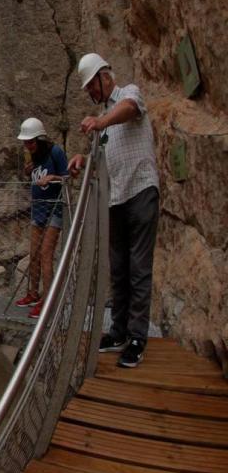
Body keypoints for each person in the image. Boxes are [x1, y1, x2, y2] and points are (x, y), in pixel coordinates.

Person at [69, 53, 159, 369]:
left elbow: (130, 110)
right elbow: (103, 160)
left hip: (141, 190)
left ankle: (137, 337)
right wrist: (83, 160)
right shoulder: (103, 121)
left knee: (138, 266)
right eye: (88, 90)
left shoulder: (128, 95)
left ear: (105, 76)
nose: (92, 93)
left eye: (92, 86)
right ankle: (118, 331)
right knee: (119, 268)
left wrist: (101, 121)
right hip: (116, 198)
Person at [14, 118, 69, 319]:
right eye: (25, 143)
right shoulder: (34, 156)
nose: (27, 146)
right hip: (38, 209)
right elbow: (35, 176)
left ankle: (48, 301)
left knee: (46, 254)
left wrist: (52, 178)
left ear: (40, 138)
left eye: (30, 142)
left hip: (54, 208)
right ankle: (33, 293)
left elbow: (68, 177)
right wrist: (28, 172)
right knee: (34, 254)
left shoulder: (56, 152)